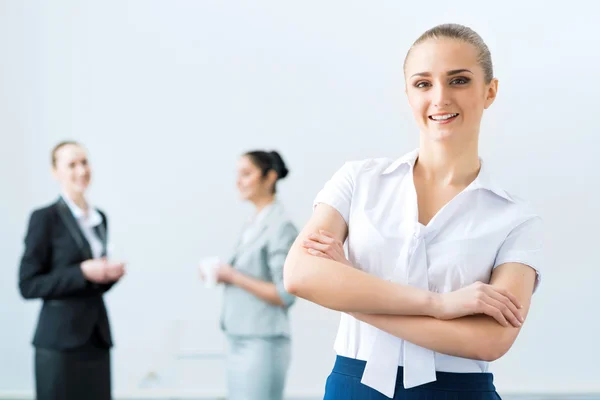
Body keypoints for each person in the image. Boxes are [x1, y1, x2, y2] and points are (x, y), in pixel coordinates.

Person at [284, 23, 543, 400]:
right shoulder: (358, 181)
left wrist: (349, 291)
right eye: (423, 84)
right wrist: (440, 305)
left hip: (458, 392)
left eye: (458, 81)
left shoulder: (516, 219)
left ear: (490, 91)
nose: (440, 98)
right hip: (353, 389)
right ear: (408, 93)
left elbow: (490, 340)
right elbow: (299, 274)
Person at [18, 141, 125, 400]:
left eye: (84, 162)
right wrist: (82, 272)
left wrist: (107, 276)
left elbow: (89, 283)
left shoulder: (100, 217)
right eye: (72, 164)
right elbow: (28, 285)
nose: (81, 170)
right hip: (59, 343)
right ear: (56, 172)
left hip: (96, 339)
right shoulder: (45, 218)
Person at [205, 150, 298, 400]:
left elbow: (285, 293)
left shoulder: (281, 226)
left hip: (262, 342)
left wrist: (233, 276)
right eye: (238, 174)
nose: (238, 181)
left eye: (246, 174)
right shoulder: (253, 222)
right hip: (239, 336)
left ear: (270, 177)